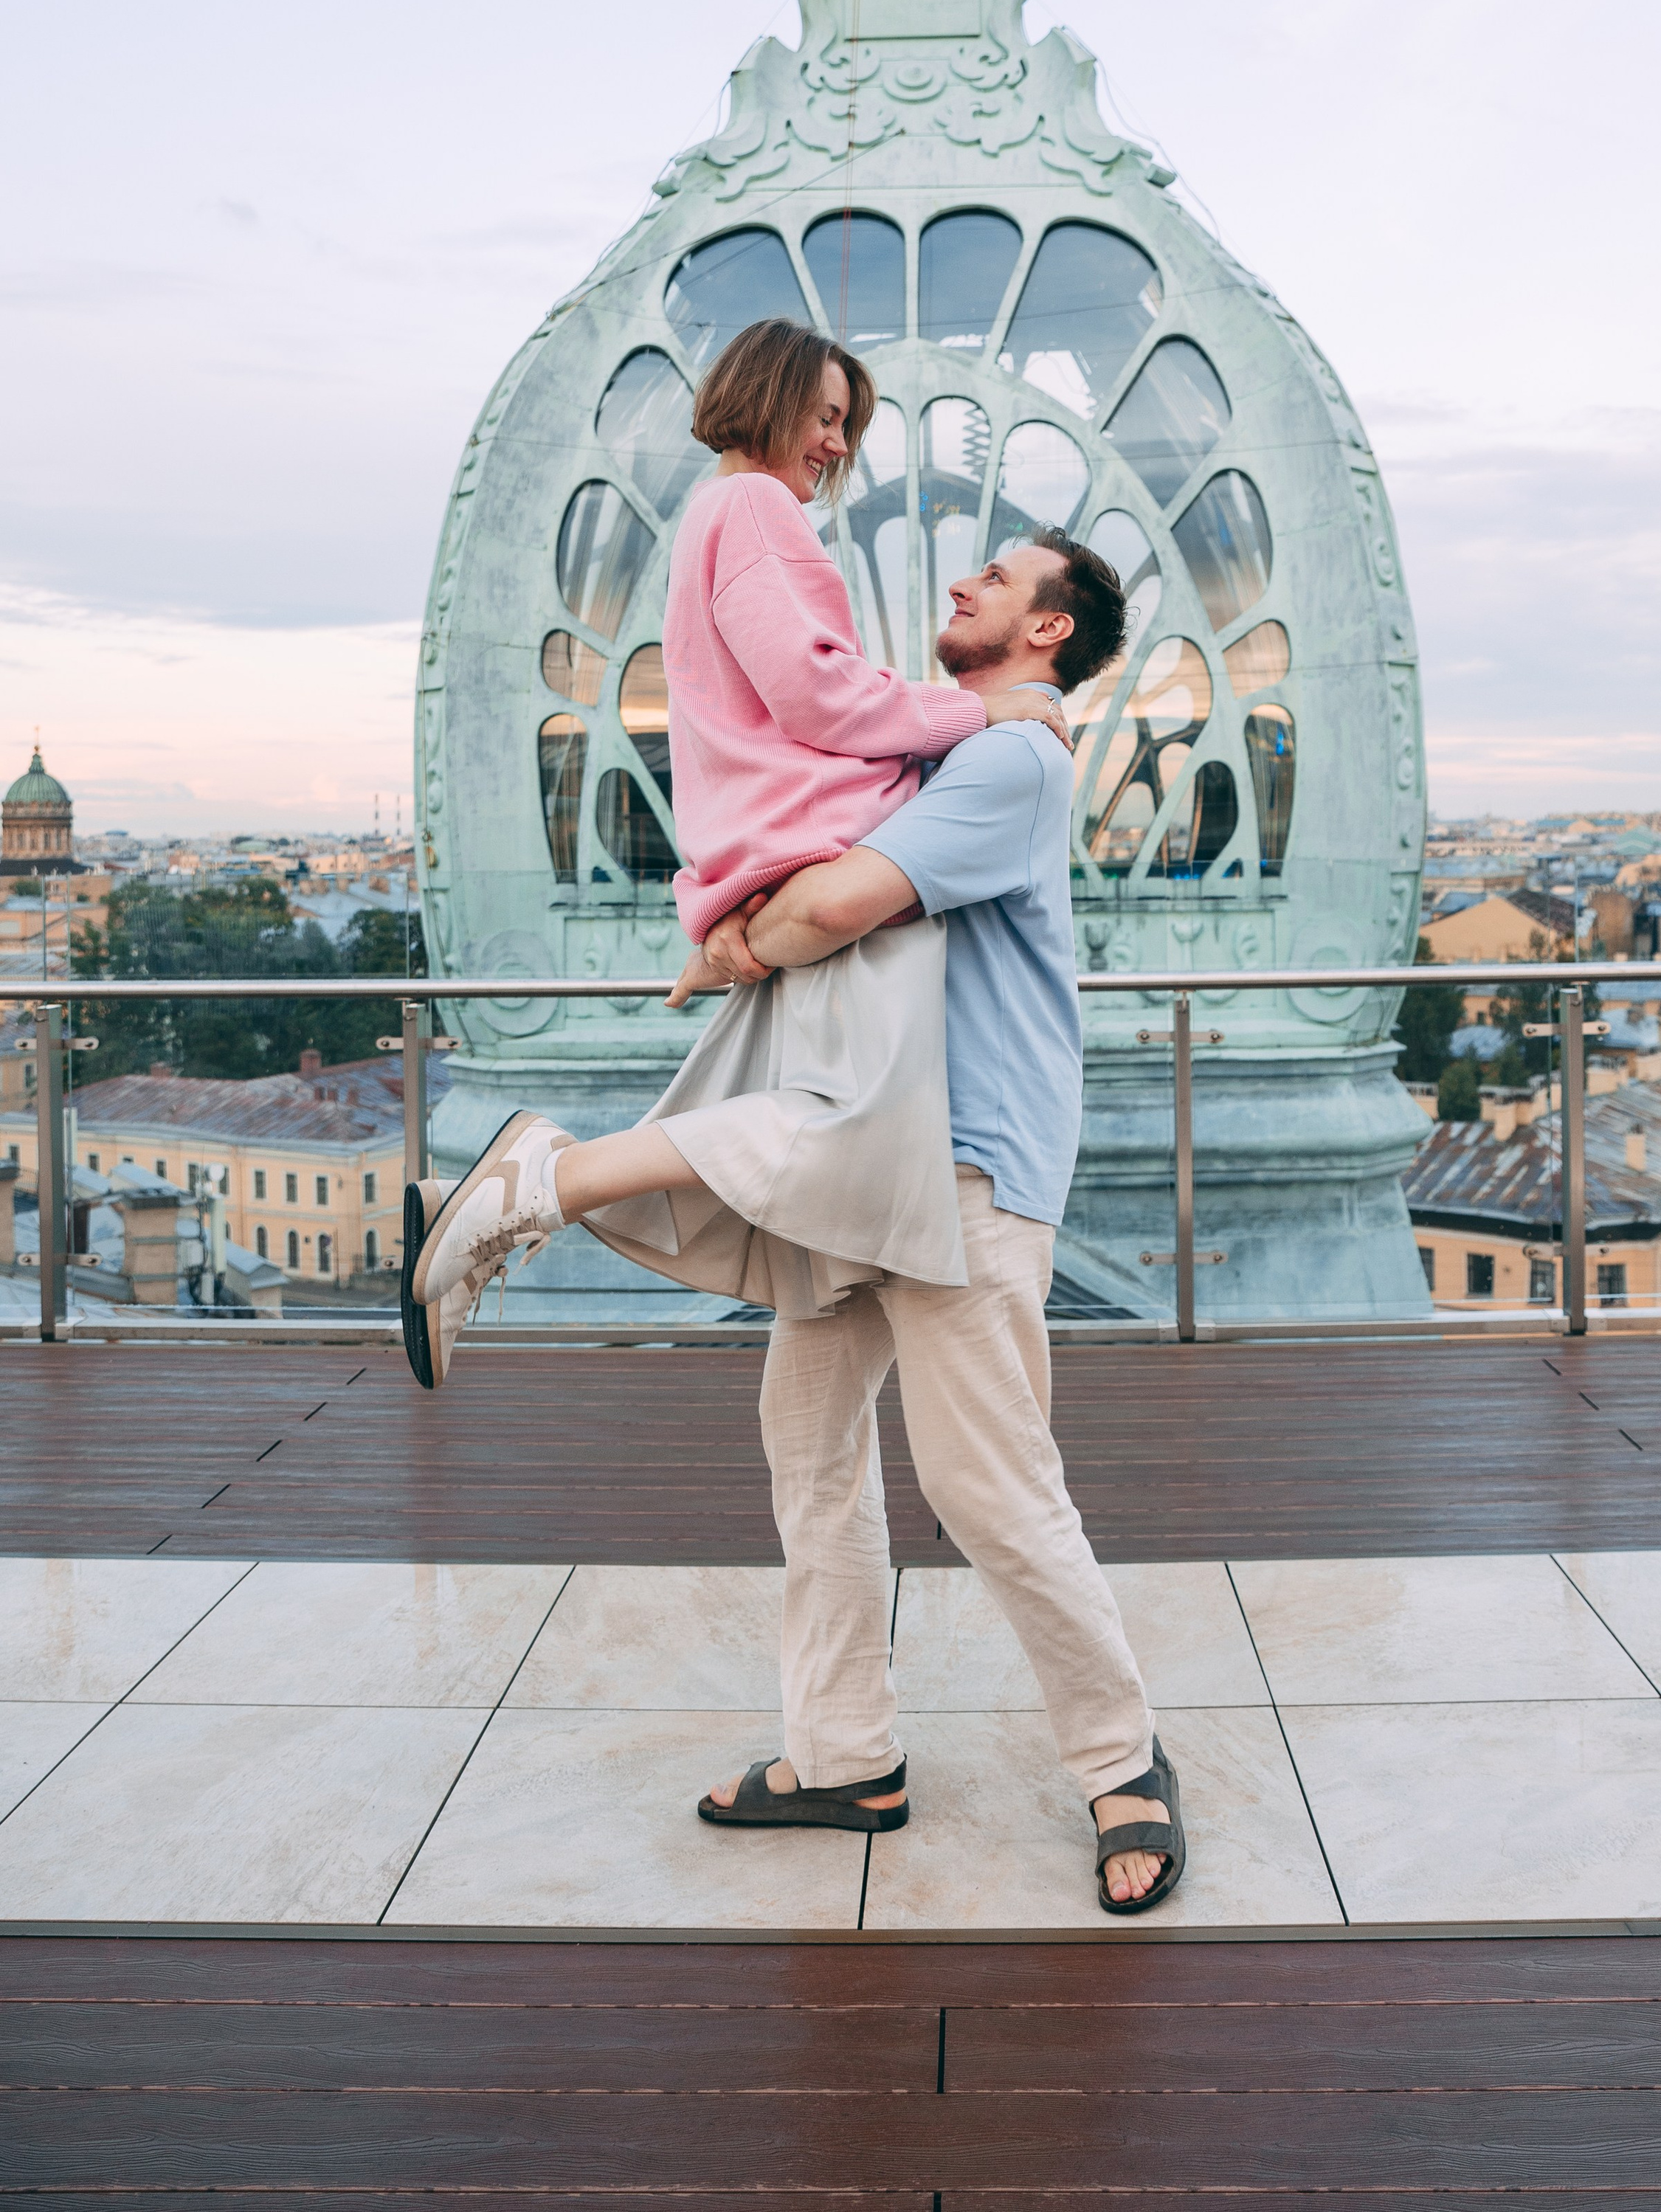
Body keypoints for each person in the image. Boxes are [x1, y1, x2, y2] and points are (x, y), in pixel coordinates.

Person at [401, 316, 1067, 1383]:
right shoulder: (755, 506)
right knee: (839, 1131)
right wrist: (983, 717)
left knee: (790, 1142)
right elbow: (816, 689)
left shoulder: (713, 514)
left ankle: (490, 1221)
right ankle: (536, 1186)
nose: (838, 448)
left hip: (768, 848)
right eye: (828, 417)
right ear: (775, 394)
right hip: (821, 840)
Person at [691, 528, 1185, 1916]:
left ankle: (1122, 1762)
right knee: (813, 1452)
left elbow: (843, 899)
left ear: (1047, 633)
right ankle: (845, 1755)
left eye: (996, 578)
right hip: (871, 1146)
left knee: (990, 1485)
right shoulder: (953, 753)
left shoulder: (1016, 759)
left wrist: (737, 935)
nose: (960, 582)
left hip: (961, 1160)